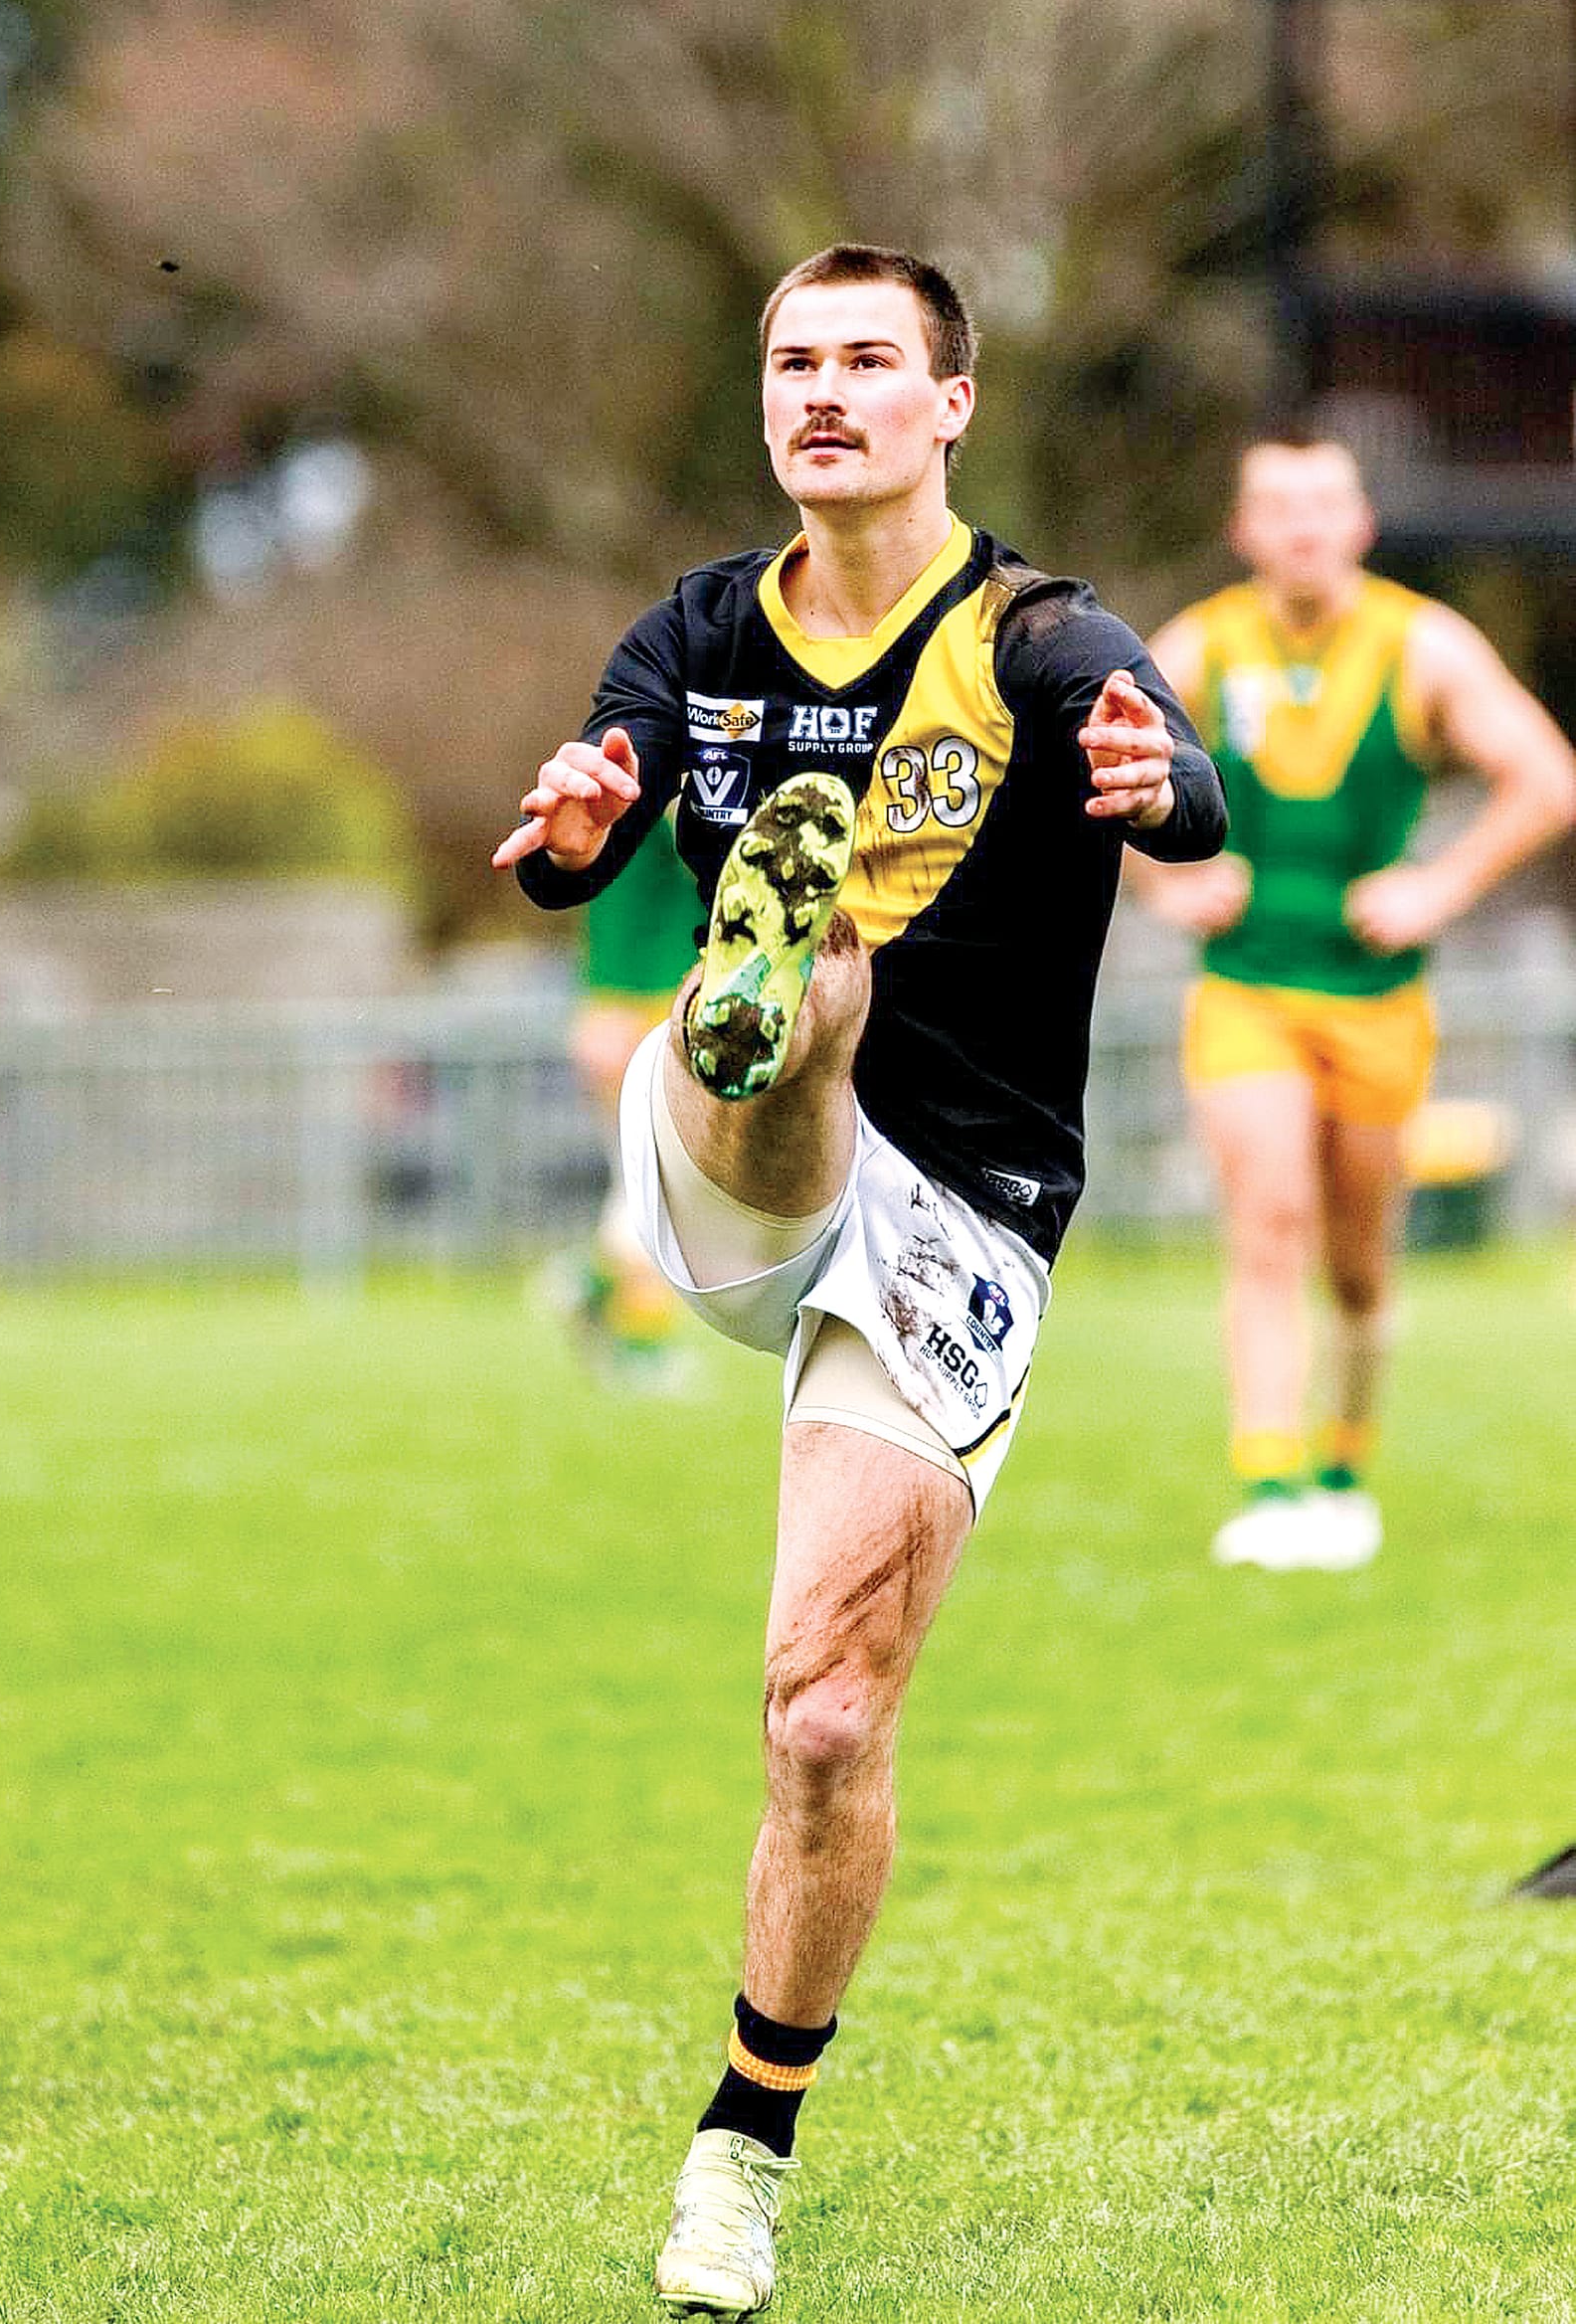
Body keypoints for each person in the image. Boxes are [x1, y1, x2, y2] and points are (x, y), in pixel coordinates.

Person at [492, 243, 1227, 2319]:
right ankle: (775, 996)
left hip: (961, 1216)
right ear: (766, 403)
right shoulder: (700, 635)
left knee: (820, 1718)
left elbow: (1191, 793)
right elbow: (570, 840)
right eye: (793, 360)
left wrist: (1157, 784)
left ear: (951, 403)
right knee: (812, 980)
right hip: (737, 1151)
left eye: (868, 361)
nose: (825, 390)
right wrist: (571, 824)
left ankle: (740, 2158)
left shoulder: (1045, 636)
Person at [1129, 438, 1576, 1573]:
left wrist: (1439, 885)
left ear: (1360, 524)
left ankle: (1340, 1462)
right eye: (1275, 507)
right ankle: (1268, 1477)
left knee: (1358, 1261)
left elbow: (1544, 779)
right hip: (1244, 987)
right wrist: (1165, 877)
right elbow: (1086, 778)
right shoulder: (1196, 646)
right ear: (1241, 531)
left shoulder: (1421, 644)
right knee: (1267, 1216)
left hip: (1376, 997)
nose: (1300, 526)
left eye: (1322, 504)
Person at [559, 809, 703, 1388]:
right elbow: (617, 896)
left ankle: (588, 1285)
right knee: (658, 1187)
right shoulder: (658, 780)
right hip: (643, 1006)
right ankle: (639, 1342)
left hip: (649, 1000)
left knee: (650, 1185)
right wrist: (605, 997)